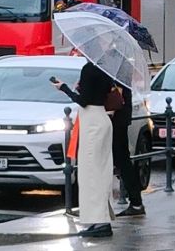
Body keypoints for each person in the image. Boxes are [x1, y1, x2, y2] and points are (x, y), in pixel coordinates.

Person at [52, 61, 115, 238]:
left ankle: (99, 221)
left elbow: (84, 100)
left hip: (92, 122)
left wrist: (64, 87)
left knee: (90, 173)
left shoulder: (89, 69)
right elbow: (98, 94)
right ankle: (102, 218)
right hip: (102, 119)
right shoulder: (106, 67)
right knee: (101, 171)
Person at [110, 83, 146, 216]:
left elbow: (116, 98)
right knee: (123, 162)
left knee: (122, 162)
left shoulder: (115, 74)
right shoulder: (120, 70)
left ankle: (136, 202)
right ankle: (136, 202)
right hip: (121, 120)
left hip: (116, 121)